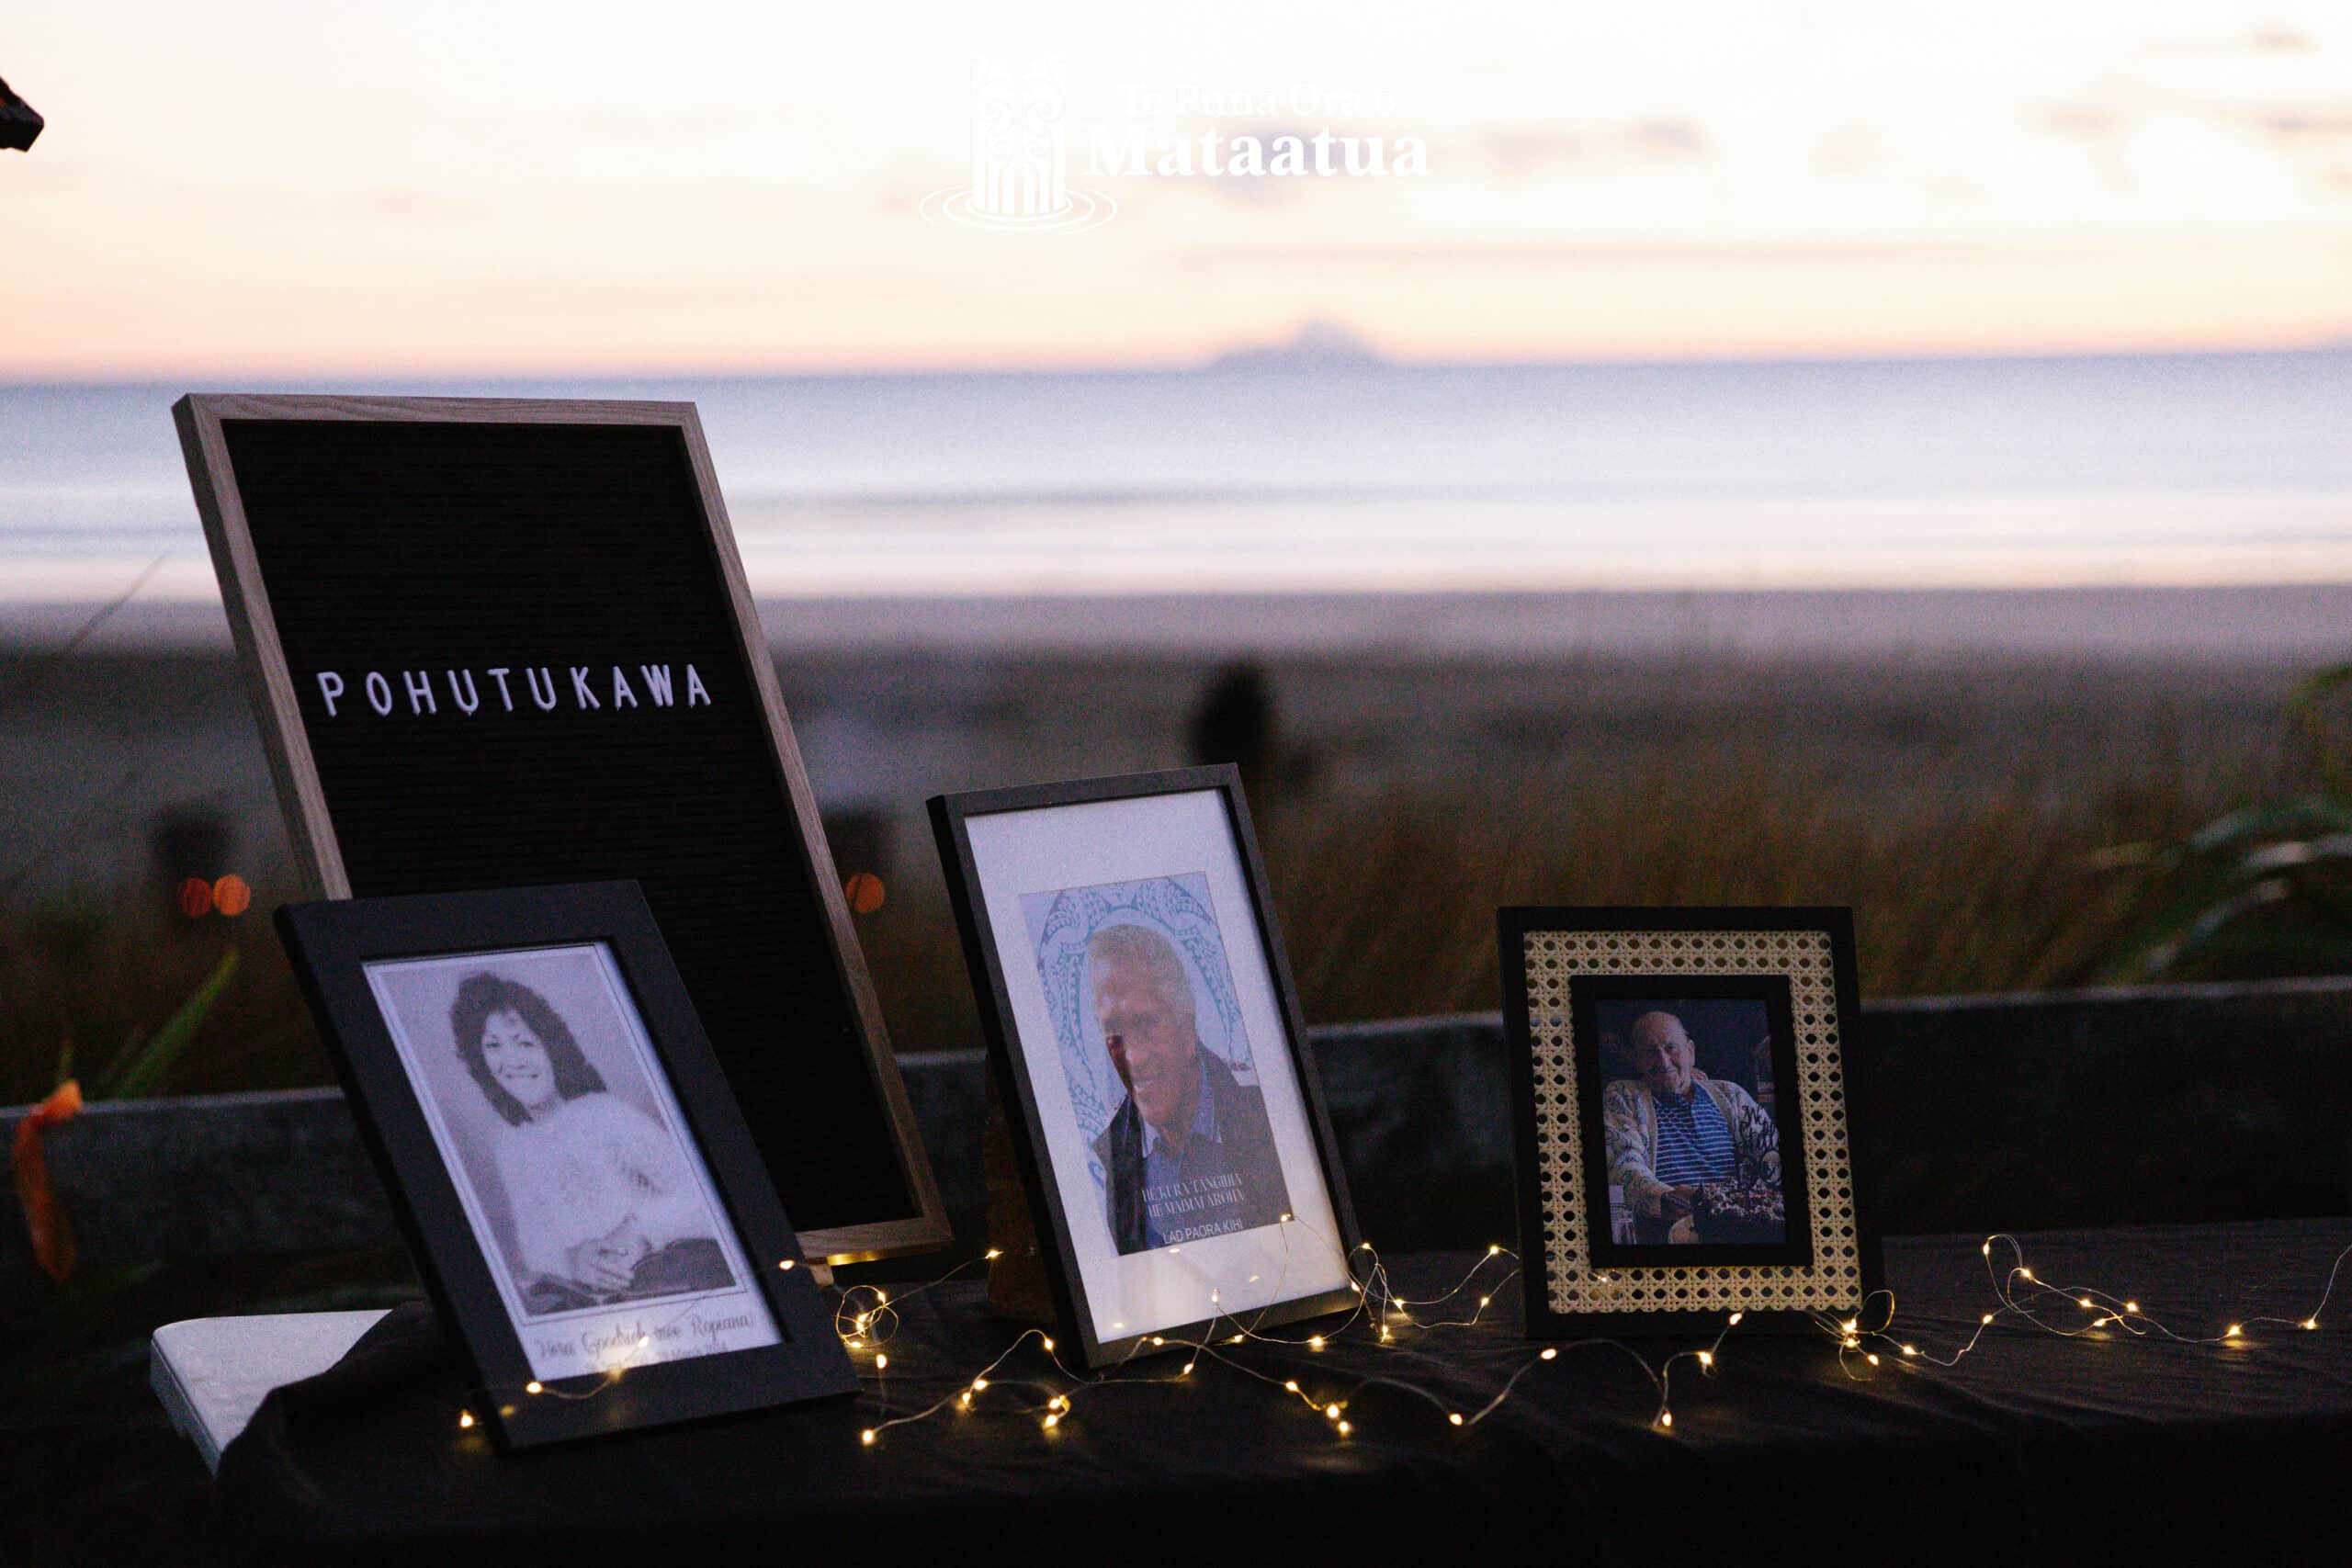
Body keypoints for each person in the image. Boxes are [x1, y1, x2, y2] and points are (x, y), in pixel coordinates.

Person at [448, 971, 729, 1311]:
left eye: (524, 1042)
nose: (513, 1061)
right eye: (493, 1046)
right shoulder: (510, 1145)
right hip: (603, 1309)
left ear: (551, 1047)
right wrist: (571, 1259)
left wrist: (640, 1229)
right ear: (482, 1061)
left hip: (675, 1288)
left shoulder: (604, 1115)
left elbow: (710, 1193)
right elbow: (533, 1245)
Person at [1086, 923, 1289, 1256]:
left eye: (1146, 1024)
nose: (1133, 1058)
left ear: (1187, 1025)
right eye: (1114, 1032)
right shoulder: (1113, 1156)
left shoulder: (1269, 1119)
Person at [1600, 1009, 1781, 1245]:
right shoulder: (1623, 1096)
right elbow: (1621, 1166)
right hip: (1665, 1232)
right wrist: (1664, 1198)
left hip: (1737, 1227)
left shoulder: (1731, 1094)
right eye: (1650, 1052)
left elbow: (1772, 1153)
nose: (1663, 1061)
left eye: (1670, 1047)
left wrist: (1750, 1203)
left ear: (1690, 1051)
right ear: (1636, 1060)